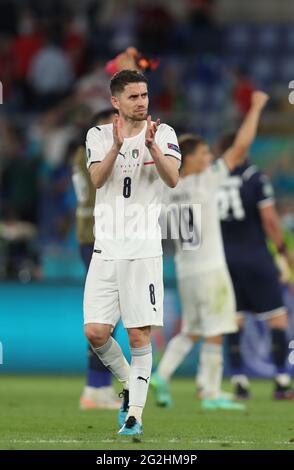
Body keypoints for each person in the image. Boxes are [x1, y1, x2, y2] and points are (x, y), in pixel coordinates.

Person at [151, 91, 269, 410]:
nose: (207, 158)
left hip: (186, 269)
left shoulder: (165, 189)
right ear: (187, 158)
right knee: (217, 329)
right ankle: (211, 392)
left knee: (191, 329)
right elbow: (240, 148)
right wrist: (256, 107)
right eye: (202, 153)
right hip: (211, 269)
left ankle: (162, 375)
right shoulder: (204, 182)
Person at [83, 69, 181, 437]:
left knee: (139, 336)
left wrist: (152, 146)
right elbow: (96, 180)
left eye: (145, 95)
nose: (142, 102)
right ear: (115, 102)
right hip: (106, 248)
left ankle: (134, 416)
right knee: (95, 331)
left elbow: (173, 179)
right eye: (134, 96)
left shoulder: (165, 133)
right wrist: (116, 146)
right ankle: (130, 384)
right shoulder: (98, 134)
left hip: (142, 249)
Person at [216, 132, 294, 400]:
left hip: (224, 259)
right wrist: (283, 251)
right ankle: (282, 380)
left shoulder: (212, 178)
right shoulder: (254, 177)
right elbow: (270, 220)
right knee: (277, 317)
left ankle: (239, 380)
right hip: (255, 256)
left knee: (235, 320)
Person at [72, 108, 120, 410]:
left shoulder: (80, 154)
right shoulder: (91, 154)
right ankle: (95, 386)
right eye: (110, 126)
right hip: (96, 237)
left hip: (96, 236)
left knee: (109, 316)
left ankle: (99, 385)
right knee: (102, 316)